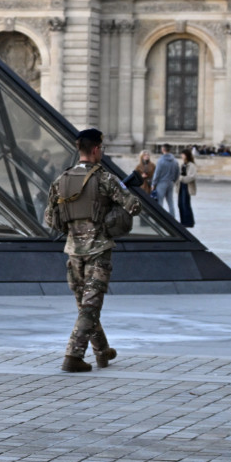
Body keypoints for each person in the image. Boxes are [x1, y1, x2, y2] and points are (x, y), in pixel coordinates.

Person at [44, 128, 143, 372]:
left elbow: (50, 218)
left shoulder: (61, 180)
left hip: (73, 251)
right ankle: (73, 356)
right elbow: (134, 207)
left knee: (85, 305)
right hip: (98, 251)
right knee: (90, 307)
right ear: (96, 149)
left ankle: (102, 351)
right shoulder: (105, 179)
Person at [153, 144, 180, 218]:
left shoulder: (161, 160)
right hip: (170, 182)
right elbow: (178, 173)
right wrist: (173, 180)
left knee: (160, 202)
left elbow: (157, 173)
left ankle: (160, 217)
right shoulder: (175, 161)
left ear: (163, 149)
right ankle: (172, 217)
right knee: (170, 202)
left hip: (161, 183)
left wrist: (153, 184)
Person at [178, 149, 197, 228]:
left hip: (187, 186)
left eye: (183, 154)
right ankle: (183, 221)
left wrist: (181, 178)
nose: (181, 156)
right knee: (180, 204)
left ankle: (189, 222)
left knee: (186, 204)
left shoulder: (191, 165)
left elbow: (192, 177)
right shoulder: (183, 164)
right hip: (181, 186)